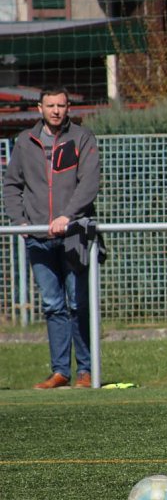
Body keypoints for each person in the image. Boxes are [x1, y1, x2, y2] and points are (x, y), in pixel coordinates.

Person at [2, 87, 101, 389]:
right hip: (38, 237)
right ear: (39, 107)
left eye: (61, 105)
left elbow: (89, 183)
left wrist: (67, 217)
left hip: (73, 236)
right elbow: (11, 186)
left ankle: (86, 370)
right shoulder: (24, 142)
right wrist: (22, 223)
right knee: (52, 304)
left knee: (78, 302)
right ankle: (61, 372)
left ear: (69, 107)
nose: (56, 110)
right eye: (50, 105)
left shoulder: (82, 139)